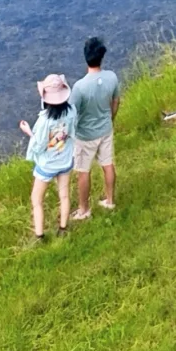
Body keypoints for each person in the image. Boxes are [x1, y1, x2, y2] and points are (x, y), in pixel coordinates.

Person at [19, 74, 77, 240]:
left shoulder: (44, 120)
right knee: (64, 195)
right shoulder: (72, 111)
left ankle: (40, 235)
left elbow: (38, 145)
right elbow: (72, 132)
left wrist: (28, 131)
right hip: (65, 160)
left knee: (36, 199)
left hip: (47, 165)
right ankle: (63, 229)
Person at [71, 37, 121, 220]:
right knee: (108, 164)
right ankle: (109, 200)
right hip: (106, 129)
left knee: (83, 171)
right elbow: (116, 101)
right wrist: (111, 119)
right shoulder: (112, 77)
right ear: (102, 56)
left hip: (85, 136)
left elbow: (71, 114)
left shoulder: (79, 87)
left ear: (86, 58)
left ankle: (84, 210)